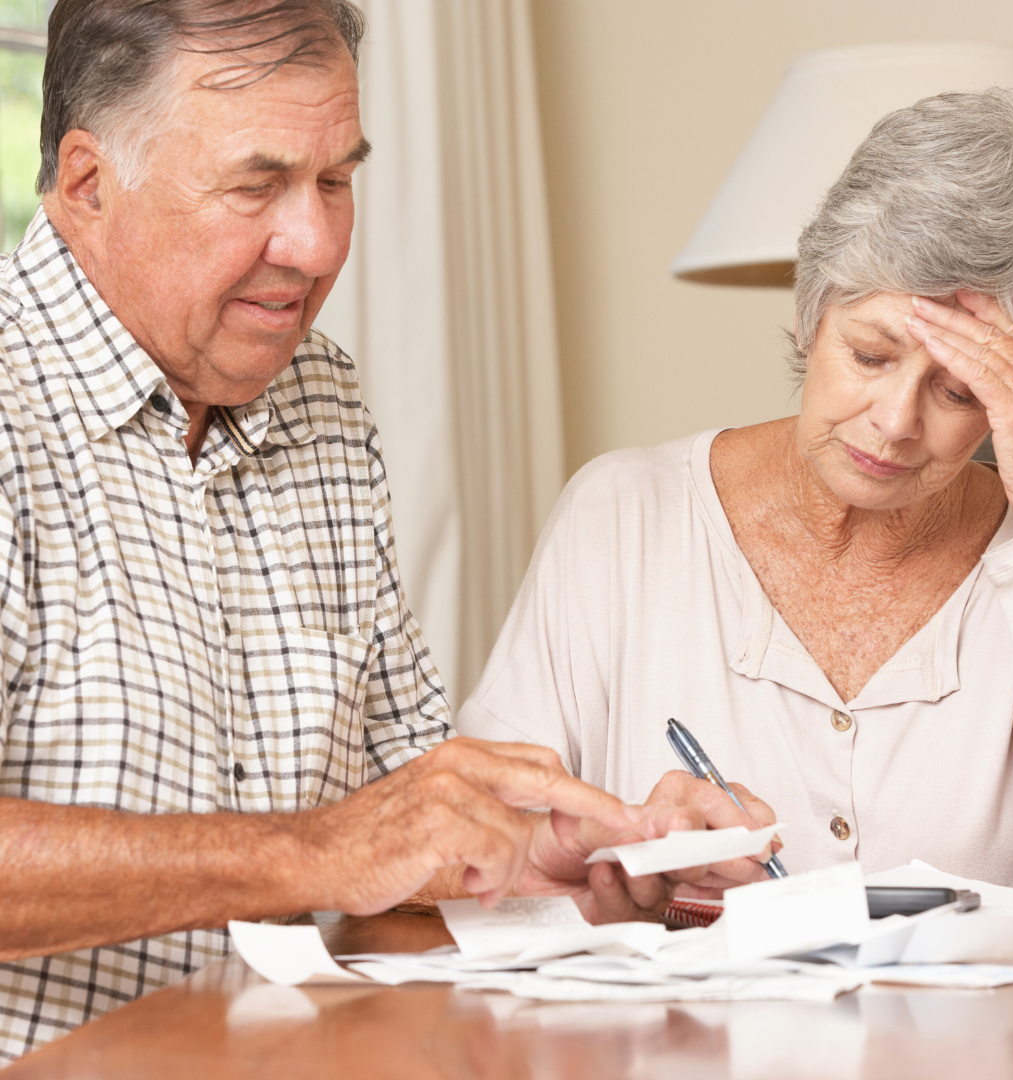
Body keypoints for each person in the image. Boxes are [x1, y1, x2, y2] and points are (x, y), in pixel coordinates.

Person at [0, 0, 774, 1063]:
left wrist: (566, 865)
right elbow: (338, 853)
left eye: (336, 179)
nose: (316, 244)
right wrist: (313, 854)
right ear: (90, 185)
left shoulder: (317, 396)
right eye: (256, 185)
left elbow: (393, 858)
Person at [457, 89, 1013, 896]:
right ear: (808, 312)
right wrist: (622, 876)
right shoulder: (622, 519)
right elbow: (472, 857)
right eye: (870, 355)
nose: (895, 422)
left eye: (962, 393)